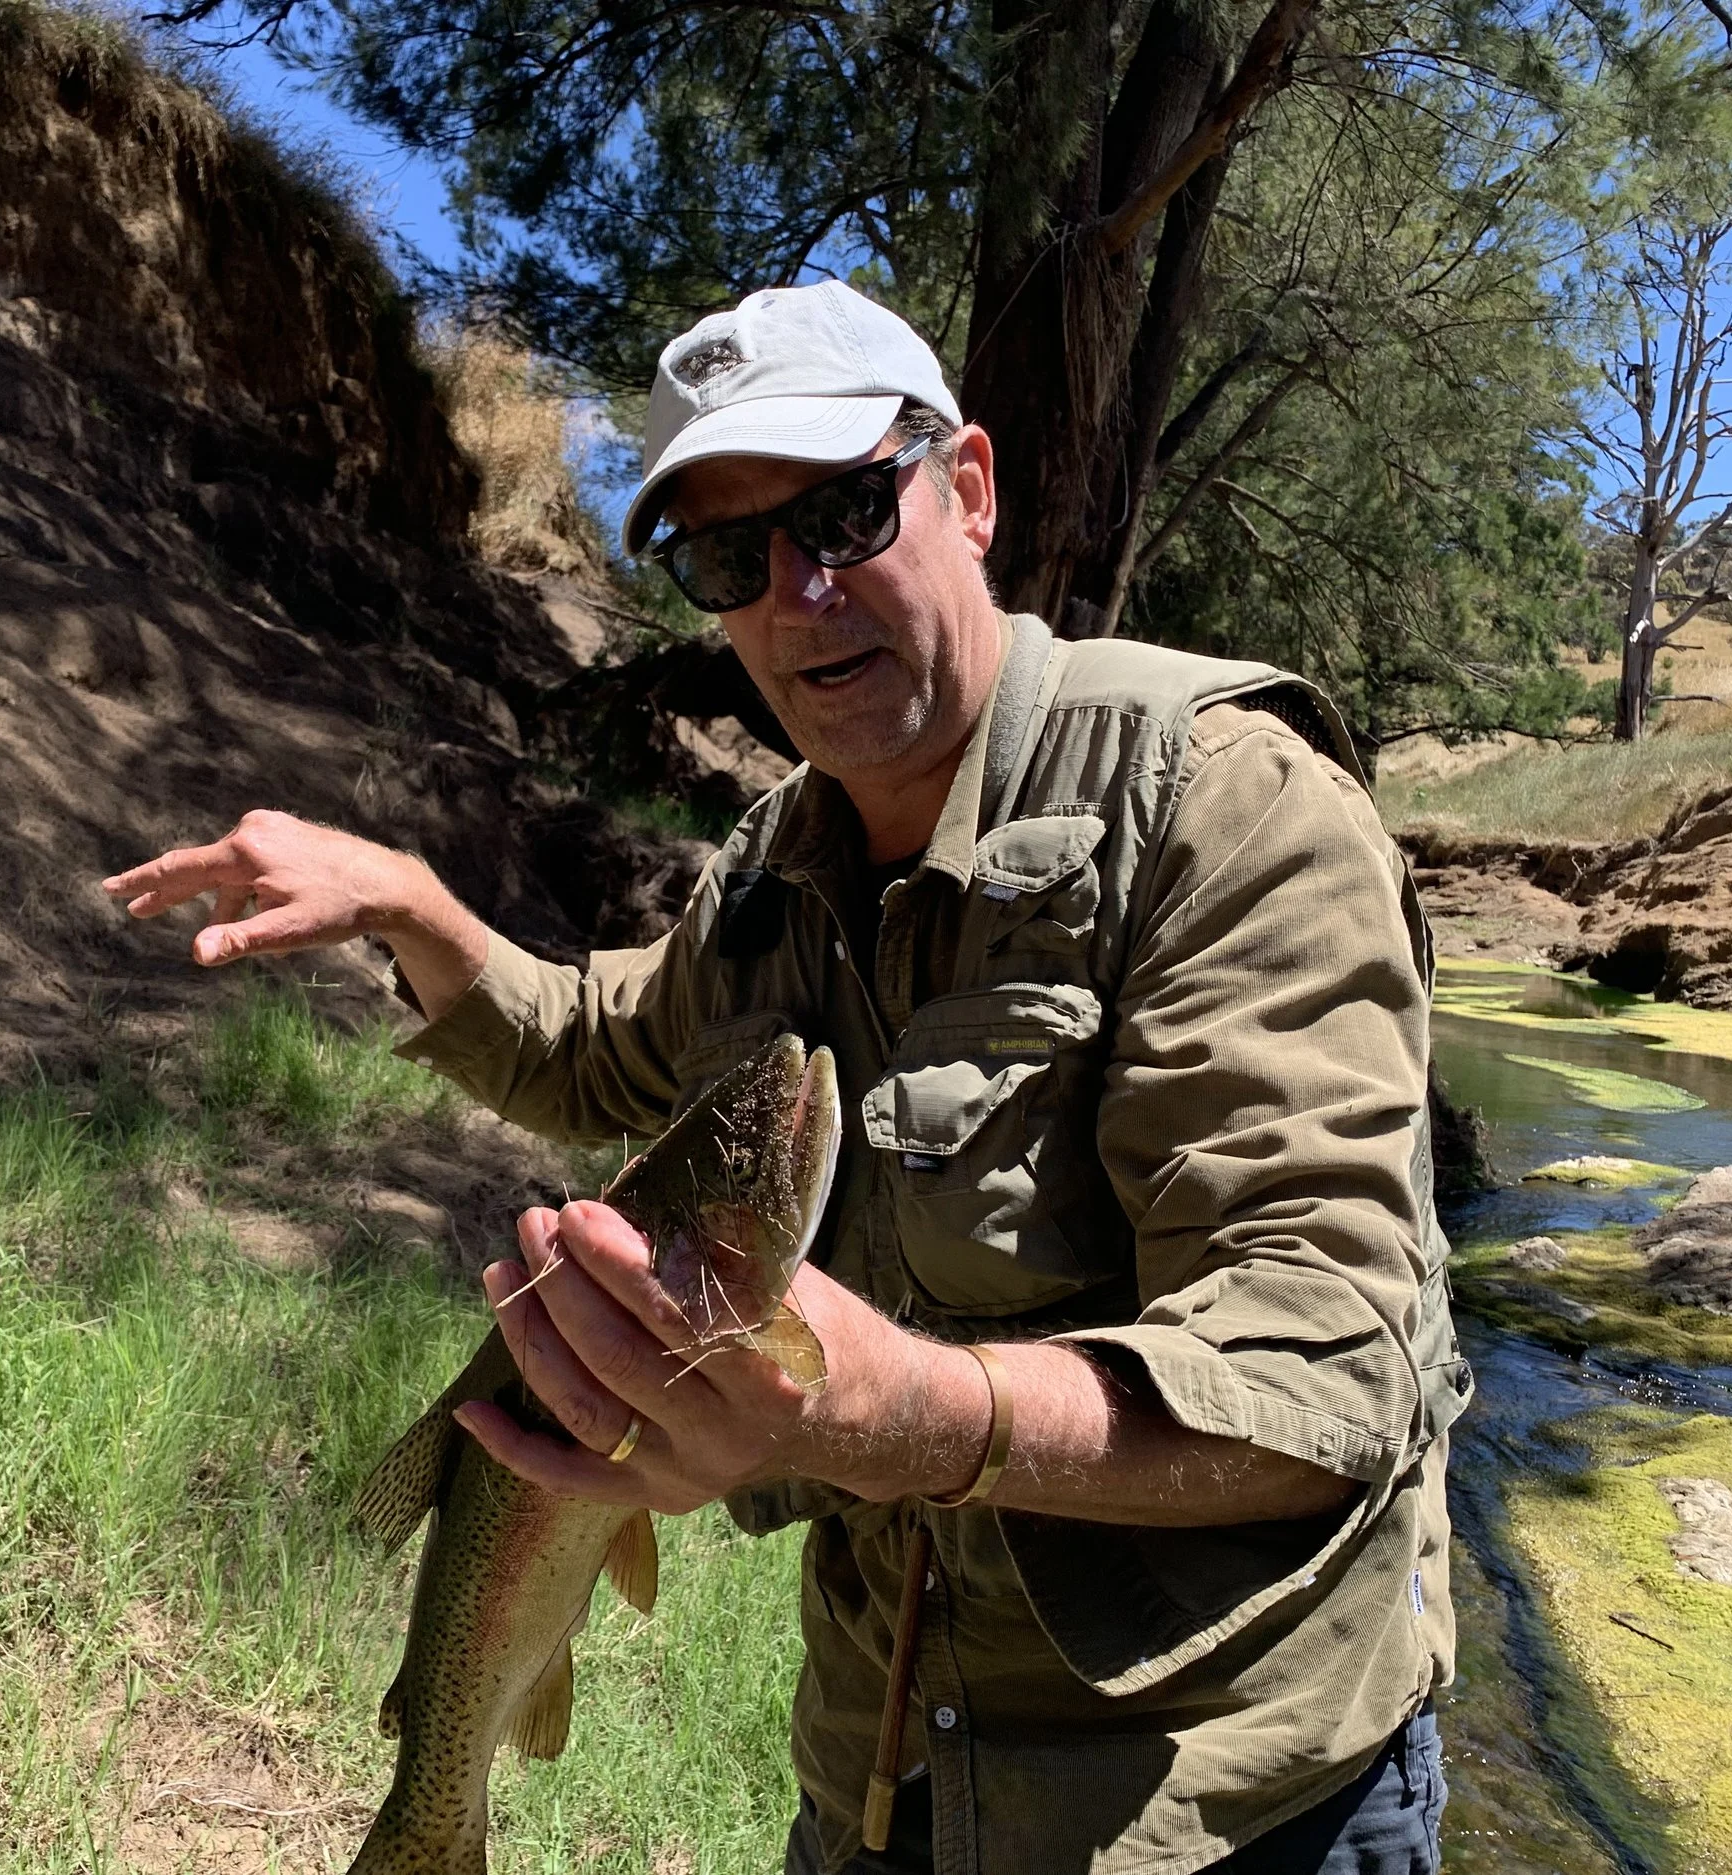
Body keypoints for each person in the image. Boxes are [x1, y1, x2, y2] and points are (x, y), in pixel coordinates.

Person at [103, 279, 1469, 1875]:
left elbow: (1328, 1368)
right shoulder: (775, 859)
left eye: (841, 509)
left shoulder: (1220, 796)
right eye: (728, 557)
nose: (801, 594)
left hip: (1234, 1814)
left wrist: (901, 1411)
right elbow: (609, 1048)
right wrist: (418, 907)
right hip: (880, 1791)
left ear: (965, 487)